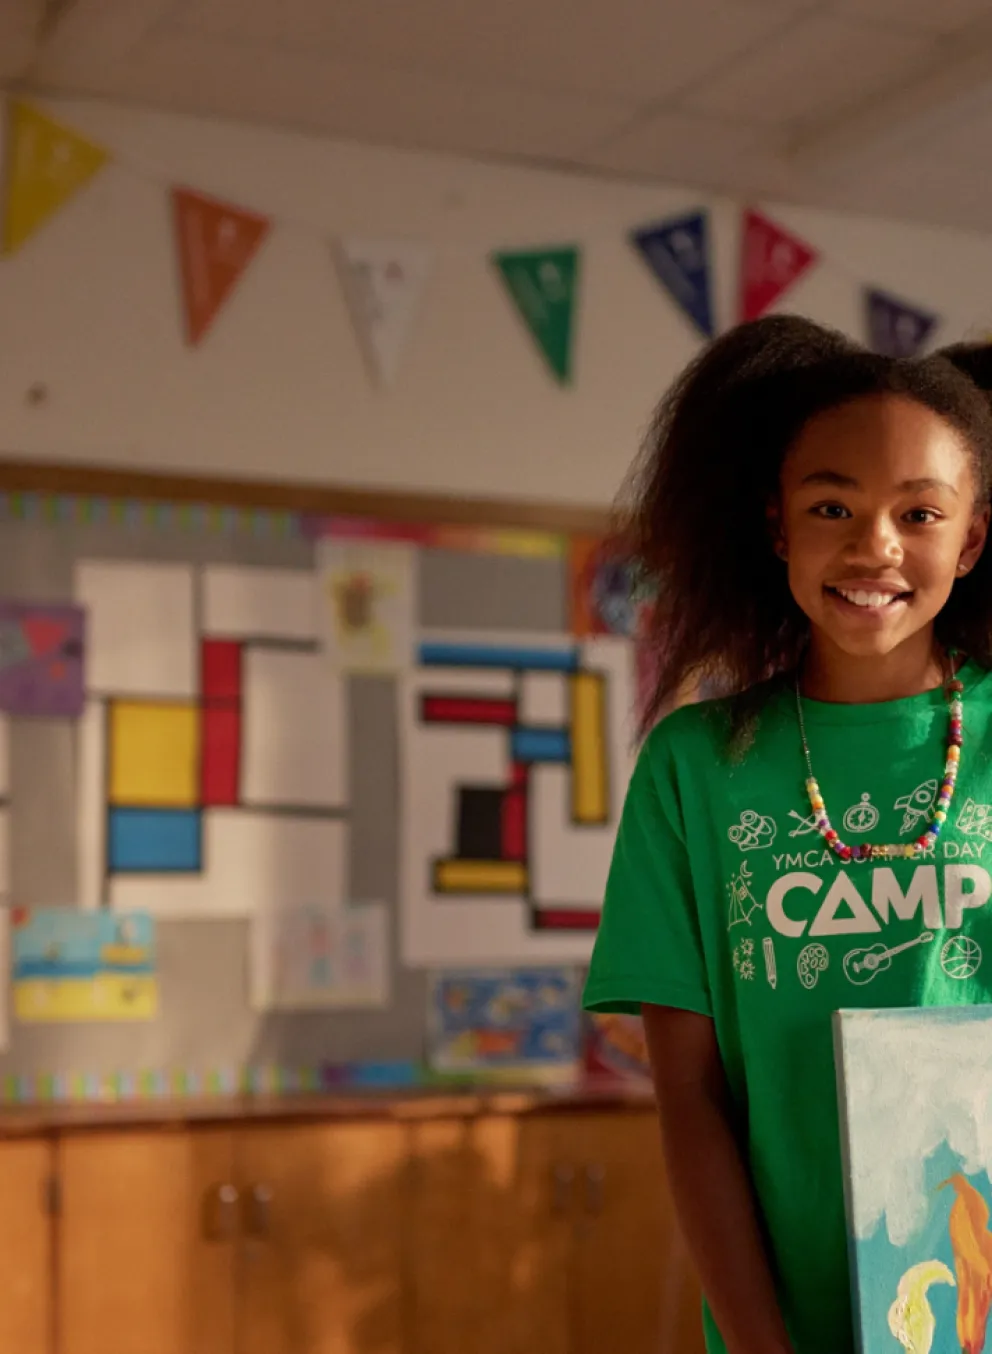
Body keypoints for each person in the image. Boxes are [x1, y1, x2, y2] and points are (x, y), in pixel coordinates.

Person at [583, 315, 992, 1354]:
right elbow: (690, 1097)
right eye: (831, 505)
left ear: (971, 537)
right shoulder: (696, 767)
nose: (873, 546)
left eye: (918, 511)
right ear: (777, 527)